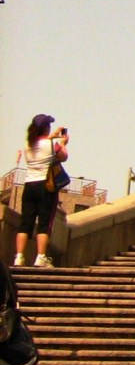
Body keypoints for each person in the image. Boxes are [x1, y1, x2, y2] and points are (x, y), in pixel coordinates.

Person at [11, 115, 67, 268]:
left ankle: (19, 256)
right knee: (43, 223)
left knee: (25, 223)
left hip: (29, 185)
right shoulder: (51, 144)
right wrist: (63, 143)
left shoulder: (27, 145)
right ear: (46, 128)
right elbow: (63, 157)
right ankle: (40, 257)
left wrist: (52, 138)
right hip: (45, 186)